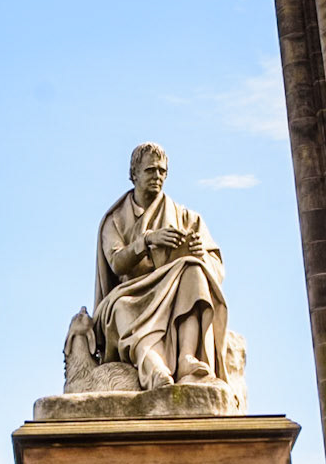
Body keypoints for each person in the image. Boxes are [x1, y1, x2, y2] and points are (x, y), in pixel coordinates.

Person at [92, 143, 229, 390]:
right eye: (150, 170)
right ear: (134, 174)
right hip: (131, 293)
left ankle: (187, 357)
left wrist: (201, 254)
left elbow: (217, 268)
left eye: (162, 171)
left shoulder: (186, 217)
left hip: (173, 289)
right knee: (122, 309)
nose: (157, 176)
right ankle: (154, 368)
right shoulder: (115, 220)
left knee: (194, 270)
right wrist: (146, 241)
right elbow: (116, 263)